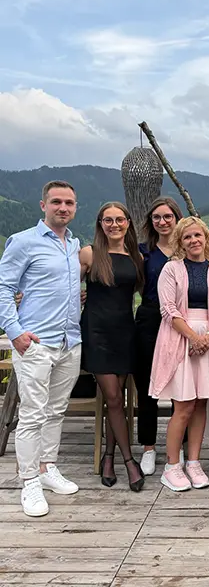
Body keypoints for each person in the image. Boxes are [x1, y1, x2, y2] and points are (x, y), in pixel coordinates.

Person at [0, 180, 81, 517]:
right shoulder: (23, 242)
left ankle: (47, 467)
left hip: (69, 341)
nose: (63, 208)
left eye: (69, 203)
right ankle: (29, 480)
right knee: (32, 414)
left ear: (75, 207)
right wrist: (15, 332)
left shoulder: (74, 245)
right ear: (43, 205)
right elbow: (4, 288)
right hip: (35, 343)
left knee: (56, 410)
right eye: (56, 202)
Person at [149, 217, 209, 492]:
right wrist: (193, 337)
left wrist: (208, 336)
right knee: (183, 406)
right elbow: (168, 309)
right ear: (180, 242)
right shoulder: (171, 269)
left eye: (197, 235)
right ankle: (172, 466)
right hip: (180, 338)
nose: (193, 240)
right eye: (187, 237)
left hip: (208, 340)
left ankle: (194, 462)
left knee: (201, 404)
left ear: (206, 238)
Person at [80, 202, 145, 492]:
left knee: (115, 400)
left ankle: (108, 457)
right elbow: (64, 286)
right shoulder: (90, 253)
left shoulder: (136, 257)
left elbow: (146, 292)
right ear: (100, 224)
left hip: (125, 332)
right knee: (115, 398)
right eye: (108, 220)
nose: (114, 225)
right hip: (96, 332)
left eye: (119, 219)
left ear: (128, 223)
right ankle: (129, 461)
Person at [133, 197, 184, 476]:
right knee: (146, 384)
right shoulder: (143, 252)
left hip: (181, 321)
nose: (162, 222)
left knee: (181, 383)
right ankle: (149, 447)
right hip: (150, 317)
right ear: (150, 222)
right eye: (157, 218)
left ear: (177, 218)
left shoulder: (187, 249)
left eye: (167, 216)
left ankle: (180, 445)